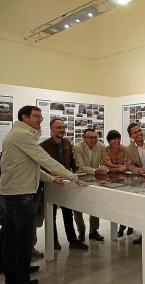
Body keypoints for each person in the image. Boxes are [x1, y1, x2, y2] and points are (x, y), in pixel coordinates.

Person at [0, 106, 86, 284]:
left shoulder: (17, 134)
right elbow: (44, 160)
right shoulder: (22, 135)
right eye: (36, 116)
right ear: (24, 118)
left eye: (40, 116)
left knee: (12, 238)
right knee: (23, 240)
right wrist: (72, 176)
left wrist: (50, 178)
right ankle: (20, 279)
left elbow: (29, 166)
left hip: (13, 194)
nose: (40, 120)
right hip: (20, 195)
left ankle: (13, 275)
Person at [40, 118, 89, 251]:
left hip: (66, 183)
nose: (62, 130)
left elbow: (71, 161)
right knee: (52, 213)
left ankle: (72, 240)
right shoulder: (44, 145)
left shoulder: (67, 142)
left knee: (68, 212)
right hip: (52, 183)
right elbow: (41, 165)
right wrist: (50, 176)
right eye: (58, 127)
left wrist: (76, 169)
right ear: (51, 129)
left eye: (63, 127)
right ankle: (53, 240)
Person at [74, 129, 109, 242]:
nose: (93, 140)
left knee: (94, 205)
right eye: (90, 137)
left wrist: (103, 167)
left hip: (95, 180)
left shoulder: (101, 146)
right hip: (80, 179)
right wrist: (96, 170)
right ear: (84, 138)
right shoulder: (77, 147)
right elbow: (81, 166)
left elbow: (104, 162)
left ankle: (93, 231)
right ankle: (81, 230)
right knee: (77, 206)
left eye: (95, 137)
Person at [101, 130, 133, 237]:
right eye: (114, 139)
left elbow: (127, 166)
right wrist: (119, 168)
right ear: (109, 141)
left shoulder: (124, 149)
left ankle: (128, 226)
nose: (117, 141)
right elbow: (106, 164)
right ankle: (121, 226)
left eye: (118, 138)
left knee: (128, 206)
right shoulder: (105, 150)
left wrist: (112, 168)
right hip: (112, 183)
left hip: (126, 182)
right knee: (118, 207)